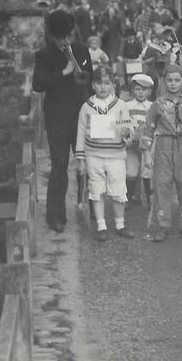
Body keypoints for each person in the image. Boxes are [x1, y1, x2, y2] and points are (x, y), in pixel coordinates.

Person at [32, 10, 93, 232]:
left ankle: (87, 208)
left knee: (85, 164)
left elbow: (91, 81)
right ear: (53, 36)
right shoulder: (44, 55)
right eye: (62, 37)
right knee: (59, 166)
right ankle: (55, 216)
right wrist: (65, 72)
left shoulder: (82, 49)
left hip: (81, 115)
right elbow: (37, 85)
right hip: (57, 117)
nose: (67, 41)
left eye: (70, 35)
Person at [75, 65, 134, 241]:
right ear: (93, 85)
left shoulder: (120, 105)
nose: (103, 87)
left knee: (118, 189)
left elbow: (128, 128)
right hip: (93, 154)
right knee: (96, 189)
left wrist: (127, 134)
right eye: (99, 83)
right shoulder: (86, 107)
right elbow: (80, 132)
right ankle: (101, 226)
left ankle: (120, 224)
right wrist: (80, 159)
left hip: (116, 155)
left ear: (112, 84)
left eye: (107, 83)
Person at [142, 65, 182, 242]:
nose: (173, 84)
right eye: (169, 80)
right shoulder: (157, 103)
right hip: (164, 145)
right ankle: (162, 224)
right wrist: (146, 153)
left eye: (177, 80)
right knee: (161, 184)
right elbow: (148, 128)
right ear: (164, 81)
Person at [125, 74, 154, 205]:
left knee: (147, 170)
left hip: (147, 145)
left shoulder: (152, 106)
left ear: (149, 91)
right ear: (132, 90)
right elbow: (121, 125)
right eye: (137, 89)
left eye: (144, 89)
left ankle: (148, 199)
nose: (141, 92)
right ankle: (128, 198)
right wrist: (131, 135)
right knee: (131, 171)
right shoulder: (126, 106)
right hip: (131, 144)